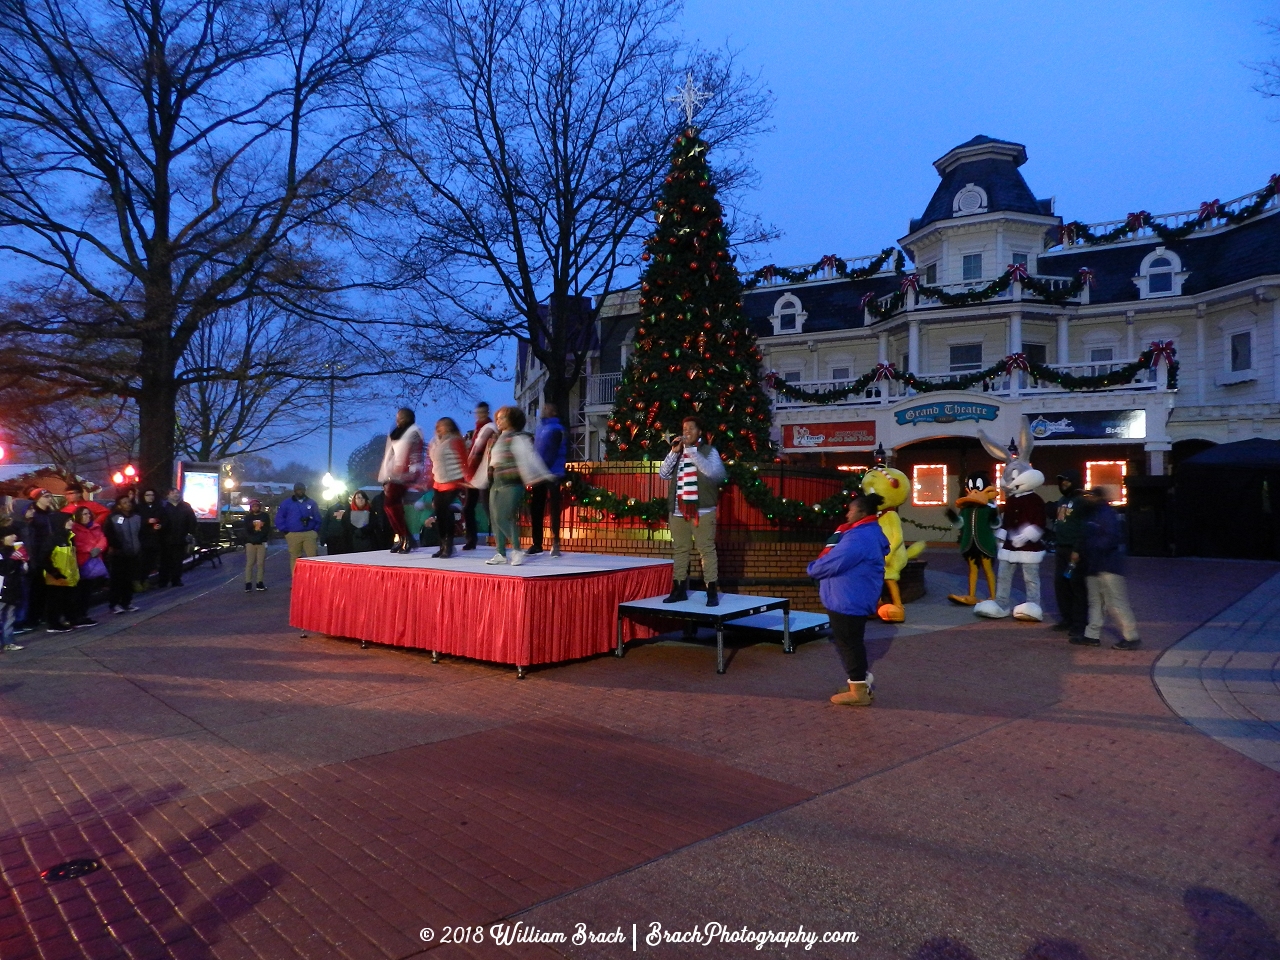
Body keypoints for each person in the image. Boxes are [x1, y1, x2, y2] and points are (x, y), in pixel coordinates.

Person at [808, 493, 890, 706]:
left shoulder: (858, 538)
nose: (847, 513)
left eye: (851, 510)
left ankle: (859, 691)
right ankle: (858, 683)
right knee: (852, 642)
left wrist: (813, 569)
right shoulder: (868, 533)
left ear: (862, 512)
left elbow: (835, 561)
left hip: (847, 599)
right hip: (853, 597)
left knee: (849, 644)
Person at [658, 416, 727, 607]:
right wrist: (673, 452)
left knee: (706, 550)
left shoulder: (709, 451)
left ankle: (711, 591)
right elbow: (663, 474)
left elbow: (715, 473)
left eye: (690, 428)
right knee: (680, 550)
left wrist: (692, 452)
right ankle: (679, 589)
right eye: (684, 428)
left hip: (702, 511)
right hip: (678, 511)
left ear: (699, 432)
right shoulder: (678, 452)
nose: (686, 431)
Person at [485, 406, 552, 566]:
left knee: (504, 517)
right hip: (496, 481)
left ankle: (516, 549)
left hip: (512, 483)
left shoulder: (519, 438)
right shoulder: (496, 439)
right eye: (497, 418)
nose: (498, 421)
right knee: (494, 519)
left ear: (512, 420)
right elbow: (491, 462)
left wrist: (542, 474)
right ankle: (500, 553)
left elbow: (530, 458)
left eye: (502, 418)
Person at [1076, 487, 1141, 650]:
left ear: (1097, 497)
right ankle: (1092, 635)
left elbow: (1111, 538)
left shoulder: (1105, 513)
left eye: (1089, 495)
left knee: (1115, 603)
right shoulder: (1096, 513)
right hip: (1096, 565)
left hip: (1106, 565)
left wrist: (1090, 549)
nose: (1086, 498)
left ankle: (1131, 637)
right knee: (1096, 602)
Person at [379, 408, 426, 554]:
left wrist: (413, 471)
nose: (397, 420)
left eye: (400, 418)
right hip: (395, 473)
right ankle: (402, 536)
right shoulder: (396, 433)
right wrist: (386, 473)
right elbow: (391, 453)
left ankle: (405, 537)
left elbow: (416, 453)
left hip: (405, 474)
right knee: (390, 506)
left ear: (407, 418)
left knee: (391, 504)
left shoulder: (414, 432)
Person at [1052, 469, 1089, 641]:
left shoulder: (1081, 501)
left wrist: (1078, 548)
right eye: (1062, 482)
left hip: (1075, 550)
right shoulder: (1062, 500)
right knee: (1061, 585)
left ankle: (1079, 624)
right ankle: (1067, 619)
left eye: (1067, 481)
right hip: (1061, 548)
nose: (1064, 484)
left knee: (1077, 588)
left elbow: (1084, 528)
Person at [529, 403, 567, 557]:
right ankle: (537, 543)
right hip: (541, 472)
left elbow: (551, 451)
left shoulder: (555, 428)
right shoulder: (541, 429)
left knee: (553, 509)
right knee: (536, 508)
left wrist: (541, 470)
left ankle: (555, 542)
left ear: (554, 412)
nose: (543, 411)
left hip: (552, 472)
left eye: (546, 409)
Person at [428, 417, 468, 559]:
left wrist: (468, 478)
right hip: (438, 481)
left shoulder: (455, 440)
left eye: (442, 426)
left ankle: (449, 545)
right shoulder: (436, 442)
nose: (438, 428)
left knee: (445, 512)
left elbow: (464, 459)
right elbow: (433, 460)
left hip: (452, 480)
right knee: (439, 513)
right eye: (437, 426)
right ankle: (442, 544)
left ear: (449, 427)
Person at [21, 489, 59, 630]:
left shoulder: (51, 514)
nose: (49, 499)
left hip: (50, 554)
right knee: (35, 589)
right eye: (46, 496)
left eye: (50, 496)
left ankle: (43, 615)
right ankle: (32, 618)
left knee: (47, 587)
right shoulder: (32, 514)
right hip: (36, 554)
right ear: (38, 498)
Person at [462, 402, 498, 550]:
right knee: (470, 507)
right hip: (476, 473)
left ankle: (499, 539)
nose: (479, 415)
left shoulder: (488, 429)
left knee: (488, 507)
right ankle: (472, 539)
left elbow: (479, 452)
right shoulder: (480, 430)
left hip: (483, 472)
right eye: (477, 412)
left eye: (482, 412)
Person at [69, 505, 107, 627]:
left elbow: (103, 539)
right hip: (81, 561)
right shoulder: (75, 528)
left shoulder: (96, 527)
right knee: (79, 591)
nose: (88, 516)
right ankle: (77, 616)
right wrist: (90, 549)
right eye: (84, 514)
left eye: (88, 514)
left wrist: (98, 548)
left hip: (94, 561)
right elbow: (77, 544)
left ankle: (83, 615)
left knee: (87, 591)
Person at [104, 495, 142, 614]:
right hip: (118, 554)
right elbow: (108, 534)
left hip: (133, 553)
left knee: (129, 580)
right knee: (117, 580)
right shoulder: (113, 518)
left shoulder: (137, 517)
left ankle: (127, 602)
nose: (128, 504)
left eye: (129, 502)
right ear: (119, 505)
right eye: (124, 503)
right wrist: (116, 547)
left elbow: (142, 533)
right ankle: (114, 604)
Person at [42, 512, 78, 633]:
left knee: (65, 599)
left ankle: (65, 620)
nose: (71, 523)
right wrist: (54, 572)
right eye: (68, 520)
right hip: (56, 576)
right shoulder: (53, 538)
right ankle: (53, 624)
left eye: (71, 520)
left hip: (67, 575)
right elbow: (44, 557)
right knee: (54, 600)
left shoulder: (69, 537)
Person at [274, 483, 322, 573]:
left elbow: (317, 517)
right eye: (298, 489)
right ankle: (296, 582)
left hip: (309, 533)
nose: (300, 491)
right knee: (295, 558)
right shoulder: (286, 503)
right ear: (295, 491)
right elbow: (279, 517)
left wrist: (315, 530)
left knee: (313, 557)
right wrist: (285, 531)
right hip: (293, 534)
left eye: (302, 489)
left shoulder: (312, 503)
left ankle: (313, 580)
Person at [157, 487, 198, 587]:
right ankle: (163, 580)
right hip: (166, 538)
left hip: (180, 538)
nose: (176, 495)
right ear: (168, 495)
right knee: (165, 560)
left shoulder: (186, 506)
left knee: (178, 560)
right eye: (173, 493)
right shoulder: (163, 507)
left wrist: (191, 534)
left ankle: (176, 580)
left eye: (177, 493)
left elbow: (192, 521)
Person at [0, 529, 27, 651]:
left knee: (10, 616)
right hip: (2, 589)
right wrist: (13, 559)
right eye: (10, 535)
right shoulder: (2, 553)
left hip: (13, 588)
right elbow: (3, 570)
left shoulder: (15, 550)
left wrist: (24, 563)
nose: (14, 536)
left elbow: (21, 571)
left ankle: (8, 641)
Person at [135, 488, 164, 589]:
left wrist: (160, 525)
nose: (150, 497)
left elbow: (165, 519)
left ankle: (146, 579)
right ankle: (139, 580)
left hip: (155, 538)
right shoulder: (139, 508)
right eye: (147, 495)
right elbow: (136, 521)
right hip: (142, 538)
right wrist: (147, 521)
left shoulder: (159, 507)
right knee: (141, 561)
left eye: (152, 495)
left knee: (151, 561)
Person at [240, 500, 271, 592]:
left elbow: (267, 529)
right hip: (250, 542)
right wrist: (251, 538)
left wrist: (261, 537)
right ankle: (248, 583)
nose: (255, 508)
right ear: (251, 507)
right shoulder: (248, 517)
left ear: (259, 507)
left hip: (261, 542)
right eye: (253, 506)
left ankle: (259, 582)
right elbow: (246, 529)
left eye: (256, 506)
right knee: (250, 563)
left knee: (260, 563)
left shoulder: (265, 516)